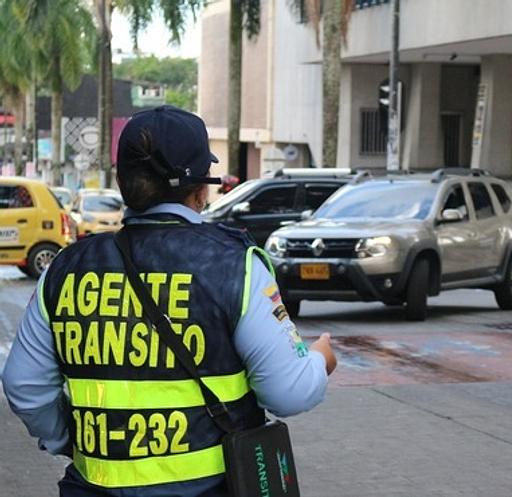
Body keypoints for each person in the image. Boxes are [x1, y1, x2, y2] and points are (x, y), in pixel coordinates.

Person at [2, 105, 337, 497]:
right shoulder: (235, 265)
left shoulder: (67, 267)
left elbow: (23, 383)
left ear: (122, 181)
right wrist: (320, 359)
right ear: (200, 189)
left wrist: (71, 440)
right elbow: (290, 392)